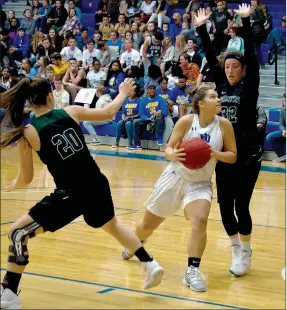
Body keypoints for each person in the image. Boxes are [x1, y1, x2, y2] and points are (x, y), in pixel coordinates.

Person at [0, 77, 164, 309]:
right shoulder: (71, 111)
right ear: (50, 96)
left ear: (30, 101)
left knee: (18, 233)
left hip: (70, 194)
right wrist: (123, 92)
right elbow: (108, 112)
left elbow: (26, 178)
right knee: (112, 225)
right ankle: (149, 263)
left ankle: (9, 292)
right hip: (97, 184)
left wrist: (15, 183)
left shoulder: (29, 131)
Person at [121, 87, 237, 292]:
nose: (218, 99)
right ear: (200, 103)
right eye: (213, 96)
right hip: (175, 177)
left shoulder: (224, 125)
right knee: (146, 226)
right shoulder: (186, 122)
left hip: (200, 183)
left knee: (199, 221)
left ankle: (192, 270)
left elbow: (233, 155)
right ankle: (136, 242)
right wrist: (172, 154)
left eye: (217, 96)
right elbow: (169, 147)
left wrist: (215, 154)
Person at [196, 4, 261, 276]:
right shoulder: (220, 87)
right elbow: (211, 57)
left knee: (241, 206)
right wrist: (201, 28)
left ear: (243, 70)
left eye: (235, 66)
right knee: (224, 210)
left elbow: (253, 57)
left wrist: (245, 22)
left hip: (247, 154)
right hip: (223, 154)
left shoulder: (250, 85)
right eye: (228, 67)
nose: (231, 70)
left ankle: (246, 250)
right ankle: (236, 248)